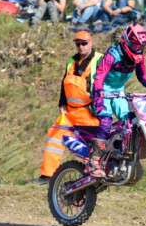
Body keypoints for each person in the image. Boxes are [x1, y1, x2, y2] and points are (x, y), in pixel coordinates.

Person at [88, 24, 146, 179]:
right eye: (136, 44)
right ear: (127, 42)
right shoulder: (113, 54)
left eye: (142, 45)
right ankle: (94, 161)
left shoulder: (139, 57)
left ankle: (120, 152)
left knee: (128, 122)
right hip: (102, 89)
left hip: (118, 91)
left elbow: (143, 76)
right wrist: (100, 92)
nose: (139, 48)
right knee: (105, 121)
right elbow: (100, 75)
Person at [36, 29, 105, 183]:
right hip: (69, 112)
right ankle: (48, 176)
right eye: (78, 44)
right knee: (55, 136)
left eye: (84, 44)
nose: (81, 47)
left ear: (91, 43)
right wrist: (62, 103)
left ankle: (93, 175)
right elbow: (64, 83)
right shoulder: (71, 61)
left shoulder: (100, 60)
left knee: (91, 146)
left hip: (89, 113)